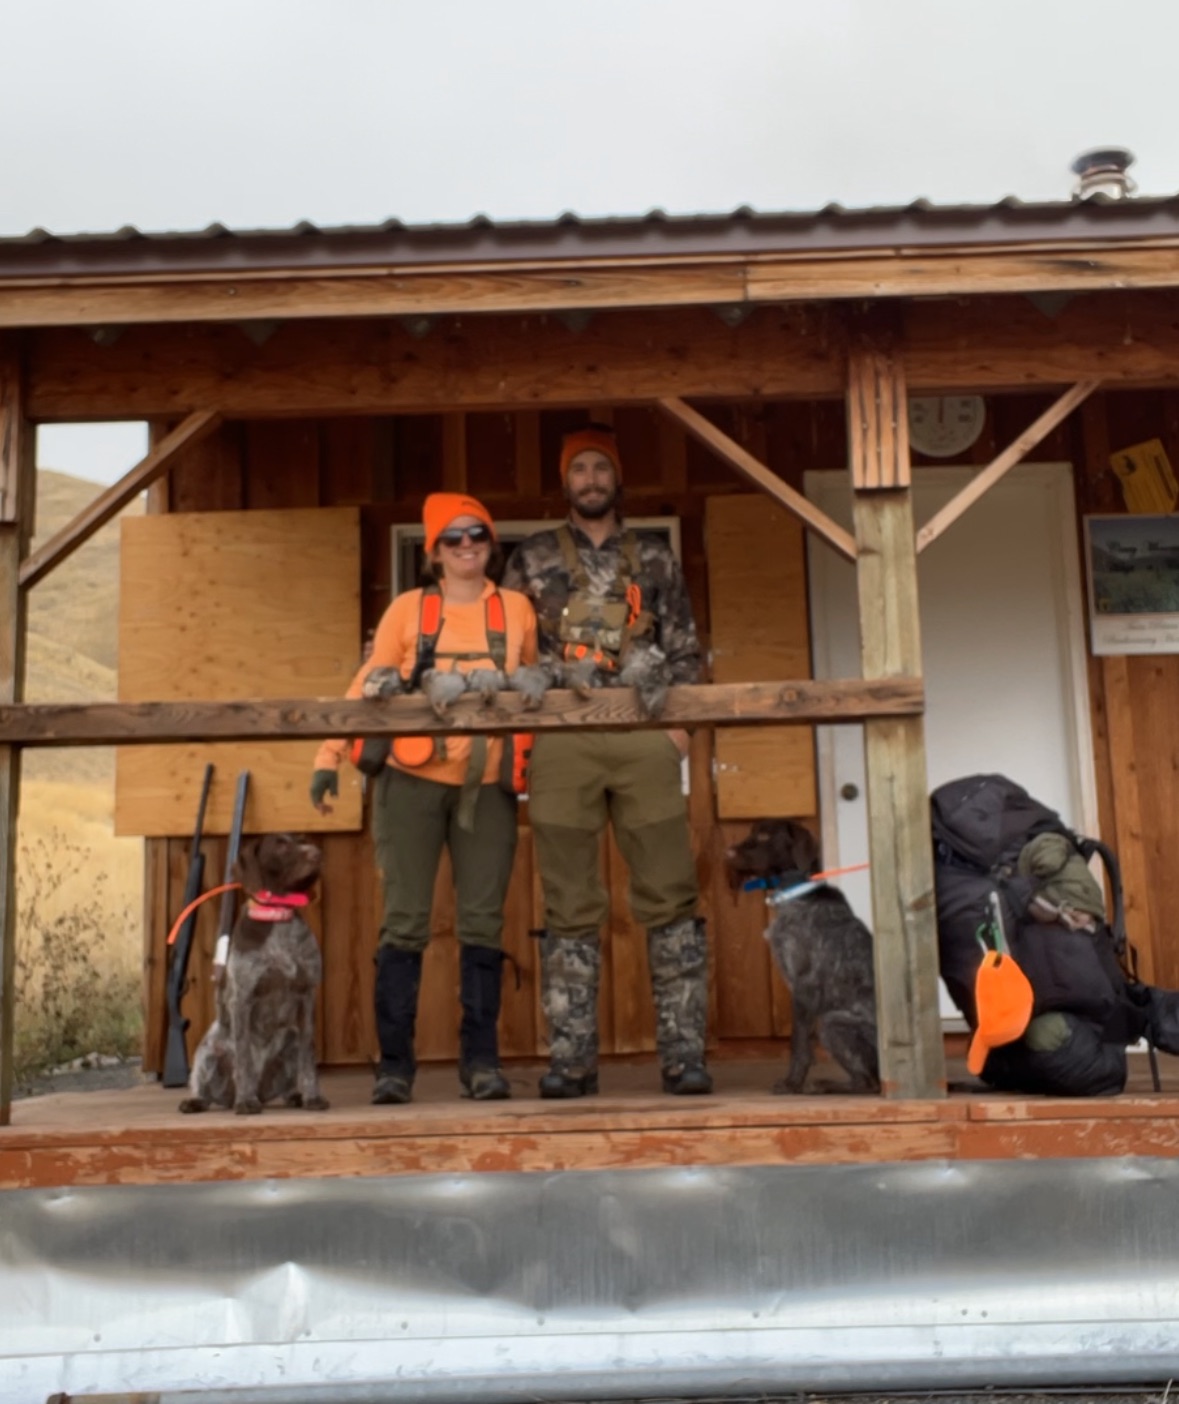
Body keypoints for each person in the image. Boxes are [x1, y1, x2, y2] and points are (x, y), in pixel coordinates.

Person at [501, 424, 711, 1098]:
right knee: (567, 902)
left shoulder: (654, 556)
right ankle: (571, 1061)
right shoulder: (529, 558)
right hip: (561, 742)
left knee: (670, 893)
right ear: (564, 482)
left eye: (600, 468)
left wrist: (675, 735)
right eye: (579, 469)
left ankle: (683, 1057)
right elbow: (510, 655)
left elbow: (684, 648)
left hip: (643, 734)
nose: (590, 478)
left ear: (616, 478)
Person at [310, 493, 537, 1105]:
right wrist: (328, 756)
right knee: (404, 923)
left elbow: (538, 690)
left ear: (492, 543)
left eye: (479, 535)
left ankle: (482, 1064)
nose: (468, 546)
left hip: (488, 787)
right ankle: (395, 1069)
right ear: (433, 550)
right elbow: (368, 686)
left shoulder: (517, 610)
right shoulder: (407, 610)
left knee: (483, 923)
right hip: (409, 785)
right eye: (454, 538)